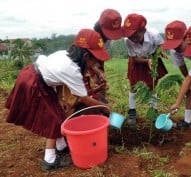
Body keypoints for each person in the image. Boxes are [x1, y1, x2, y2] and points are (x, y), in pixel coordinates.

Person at [5, 29, 111, 171]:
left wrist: (59, 97)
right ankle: (49, 161)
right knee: (53, 120)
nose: (95, 63)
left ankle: (61, 147)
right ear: (85, 56)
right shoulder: (72, 70)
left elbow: (61, 80)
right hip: (33, 82)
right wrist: (105, 108)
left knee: (58, 113)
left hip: (38, 78)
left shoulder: (66, 55)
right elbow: (84, 98)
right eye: (94, 60)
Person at [162, 20, 191, 134]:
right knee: (190, 91)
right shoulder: (174, 50)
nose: (176, 48)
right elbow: (181, 65)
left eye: (178, 45)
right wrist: (189, 82)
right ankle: (187, 121)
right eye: (173, 45)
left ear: (187, 38)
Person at [122, 13, 168, 124]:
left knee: (152, 85)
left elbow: (159, 45)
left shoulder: (154, 35)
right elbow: (134, 58)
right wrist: (146, 61)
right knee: (134, 86)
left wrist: (159, 52)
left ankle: (153, 111)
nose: (133, 39)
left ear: (143, 31)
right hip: (138, 61)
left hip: (152, 59)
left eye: (136, 35)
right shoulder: (127, 41)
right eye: (130, 36)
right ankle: (132, 111)